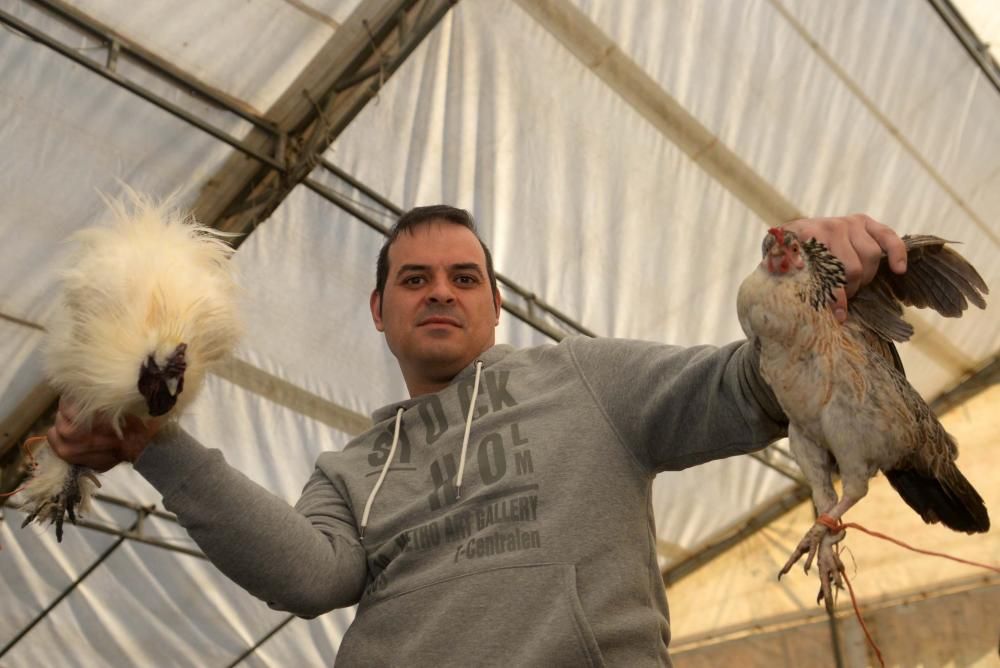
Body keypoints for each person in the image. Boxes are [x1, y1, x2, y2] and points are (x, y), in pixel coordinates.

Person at [47, 205, 906, 666]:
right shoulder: (352, 468)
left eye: (466, 278)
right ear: (379, 313)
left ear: (495, 308)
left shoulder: (589, 380)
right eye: (413, 280)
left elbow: (742, 387)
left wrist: (811, 296)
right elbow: (311, 577)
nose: (441, 292)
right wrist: (151, 444)